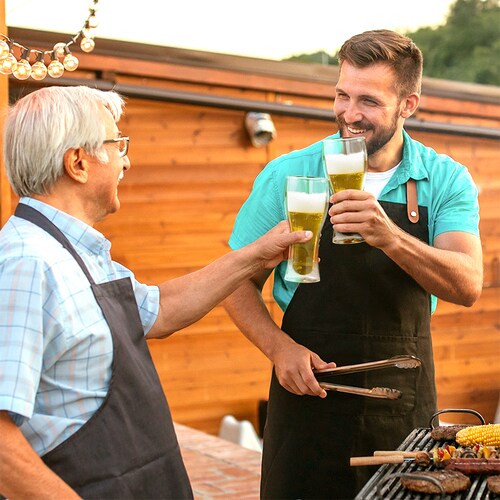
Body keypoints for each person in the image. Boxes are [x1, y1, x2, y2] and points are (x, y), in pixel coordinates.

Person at [0, 85, 314, 499]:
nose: (126, 160)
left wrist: (256, 255)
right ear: (78, 162)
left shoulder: (74, 251)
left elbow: (158, 309)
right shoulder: (27, 262)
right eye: (117, 144)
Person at [223, 29, 483, 499]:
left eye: (368, 100)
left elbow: (467, 284)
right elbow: (234, 281)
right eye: (342, 94)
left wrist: (390, 237)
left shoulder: (444, 178)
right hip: (308, 396)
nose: (349, 113)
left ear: (408, 104)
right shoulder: (288, 173)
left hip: (403, 402)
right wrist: (278, 349)